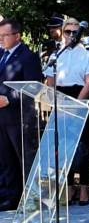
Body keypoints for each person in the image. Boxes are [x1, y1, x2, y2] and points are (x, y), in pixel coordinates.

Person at [44, 17, 89, 206]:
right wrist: (58, 103)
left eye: (75, 32)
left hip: (81, 98)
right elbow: (50, 82)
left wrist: (76, 105)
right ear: (62, 32)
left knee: (84, 146)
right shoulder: (56, 54)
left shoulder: (87, 55)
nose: (72, 35)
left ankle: (83, 187)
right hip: (61, 99)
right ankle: (68, 186)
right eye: (68, 31)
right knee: (63, 146)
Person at [0, 19, 43, 211]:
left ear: (17, 36)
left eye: (4, 35)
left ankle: (32, 199)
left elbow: (33, 87)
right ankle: (11, 198)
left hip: (19, 118)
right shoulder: (1, 55)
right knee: (6, 159)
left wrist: (9, 99)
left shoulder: (28, 57)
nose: (1, 39)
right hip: (2, 117)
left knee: (24, 160)